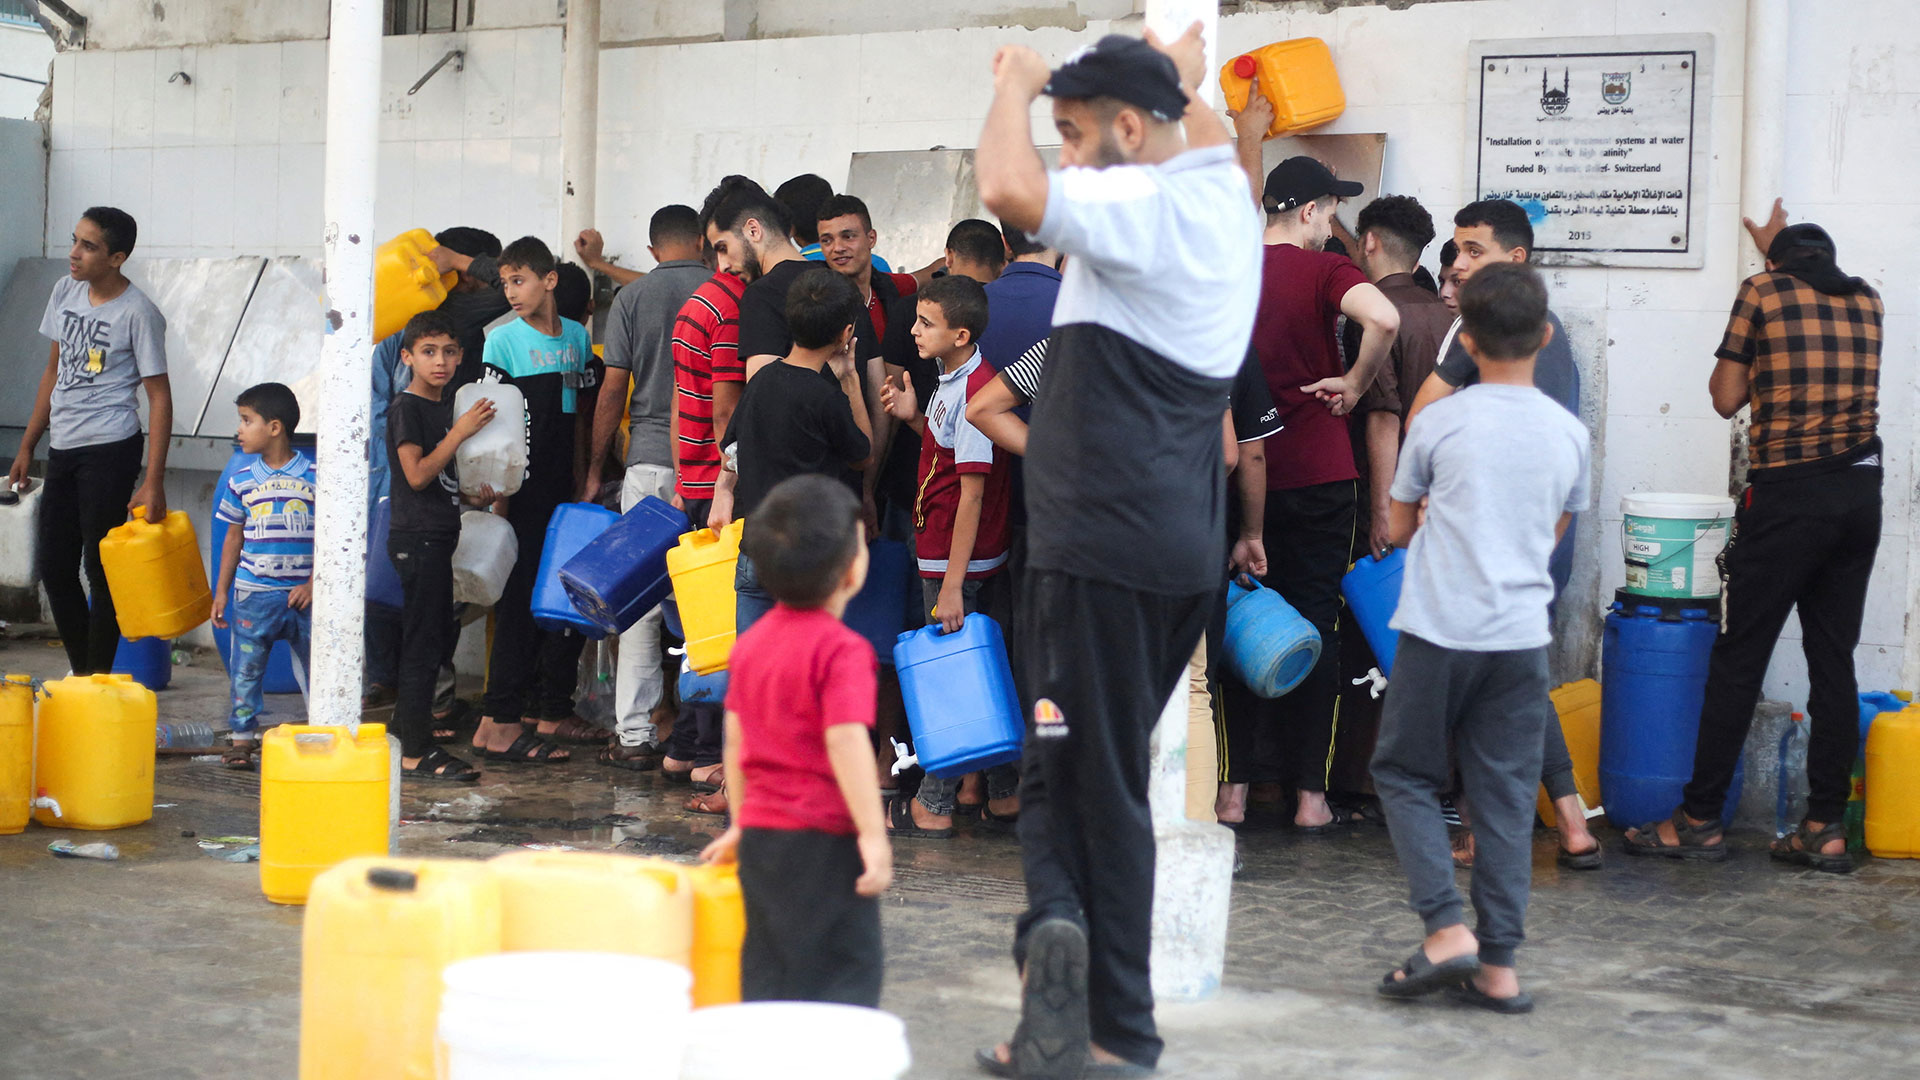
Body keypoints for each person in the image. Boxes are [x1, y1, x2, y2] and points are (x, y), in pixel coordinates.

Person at [974, 25, 1260, 1077]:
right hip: (1172, 548)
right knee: (1071, 766)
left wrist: (1017, 87)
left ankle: (1109, 1015)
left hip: (1095, 548)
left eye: (1075, 135)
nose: (1066, 155)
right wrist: (1177, 70)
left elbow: (1007, 188)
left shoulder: (1143, 210)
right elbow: (1205, 128)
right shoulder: (1222, 195)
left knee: (1084, 784)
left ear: (1130, 132)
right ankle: (1058, 970)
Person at [1624, 206, 1885, 874]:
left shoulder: (1762, 291)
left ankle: (1699, 820)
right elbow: (1812, 283)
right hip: (1860, 497)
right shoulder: (1868, 301)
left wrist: (1766, 272)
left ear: (1774, 264)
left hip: (1789, 497)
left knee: (1739, 658)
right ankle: (1825, 827)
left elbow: (1724, 398)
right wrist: (1780, 249)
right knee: (1834, 661)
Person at [1371, 262, 1590, 1015]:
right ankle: (1499, 968)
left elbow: (1400, 527)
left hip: (1440, 627)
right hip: (1520, 638)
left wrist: (1438, 521)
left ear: (1465, 340)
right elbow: (1556, 529)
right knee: (1504, 798)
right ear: (1546, 336)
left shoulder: (1438, 423)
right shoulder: (1568, 435)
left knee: (1404, 773)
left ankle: (1444, 928)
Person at [1406, 199, 1598, 868]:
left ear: (1516, 259)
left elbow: (1422, 417)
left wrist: (1419, 503)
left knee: (1492, 688)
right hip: (1538, 539)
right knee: (1518, 680)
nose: (1458, 265)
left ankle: (1501, 829)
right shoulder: (1547, 332)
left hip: (1489, 539)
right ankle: (1570, 821)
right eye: (1456, 250)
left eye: (1474, 251)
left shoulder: (1479, 331)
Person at [1215, 150, 1400, 831]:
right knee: (1318, 626)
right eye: (1331, 212)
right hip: (1320, 476)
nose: (1332, 226)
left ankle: (1232, 793)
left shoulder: (1227, 269)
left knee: (1237, 622)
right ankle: (1311, 799)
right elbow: (1385, 319)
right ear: (1309, 211)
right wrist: (1354, 383)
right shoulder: (1325, 270)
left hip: (1237, 472)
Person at [699, 473, 890, 1005]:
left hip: (763, 840)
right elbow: (847, 742)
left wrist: (741, 824)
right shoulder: (843, 651)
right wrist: (873, 835)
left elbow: (735, 741)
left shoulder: (750, 646)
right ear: (852, 569)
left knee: (769, 969)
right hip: (826, 842)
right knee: (844, 979)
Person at [878, 274, 1019, 839]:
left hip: (955, 559)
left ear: (960, 334)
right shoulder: (952, 378)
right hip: (944, 549)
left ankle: (934, 803)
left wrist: (955, 584)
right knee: (979, 672)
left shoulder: (974, 390)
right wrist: (915, 417)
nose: (913, 330)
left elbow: (972, 494)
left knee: (954, 679)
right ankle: (1003, 794)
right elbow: (947, 452)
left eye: (925, 323)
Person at [1325, 195, 1456, 801]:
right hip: (1445, 502)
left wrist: (1381, 512)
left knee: (1373, 639)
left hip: (1392, 502)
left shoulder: (1375, 314)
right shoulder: (1449, 316)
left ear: (1370, 242)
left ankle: (1364, 783)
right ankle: (1436, 779)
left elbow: (1382, 418)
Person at [9, 207, 171, 676]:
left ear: (117, 258)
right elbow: (53, 371)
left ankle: (95, 677)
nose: (74, 253)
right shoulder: (65, 291)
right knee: (54, 567)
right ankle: (86, 674)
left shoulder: (138, 313)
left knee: (101, 569)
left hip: (111, 447)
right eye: (74, 240)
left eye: (88, 246)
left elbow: (159, 397)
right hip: (64, 445)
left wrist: (153, 481)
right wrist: (28, 446)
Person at [584, 205, 712, 771]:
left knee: (640, 604)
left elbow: (613, 389)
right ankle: (697, 739)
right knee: (703, 603)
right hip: (709, 470)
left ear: (654, 249)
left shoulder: (633, 299)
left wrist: (596, 468)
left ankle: (634, 735)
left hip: (649, 465)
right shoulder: (723, 292)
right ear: (703, 242)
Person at [467, 237, 592, 764]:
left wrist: (585, 475)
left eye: (519, 281)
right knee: (517, 603)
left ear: (550, 280)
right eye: (505, 284)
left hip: (565, 487)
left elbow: (580, 414)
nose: (511, 293)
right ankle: (499, 718)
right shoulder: (500, 341)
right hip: (520, 492)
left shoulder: (578, 338)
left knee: (559, 601)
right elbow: (493, 425)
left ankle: (543, 710)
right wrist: (497, 497)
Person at [712, 268, 875, 632]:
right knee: (804, 659)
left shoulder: (761, 380)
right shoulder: (825, 397)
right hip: (807, 562)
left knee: (755, 661)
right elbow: (864, 455)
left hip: (756, 552)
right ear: (846, 333)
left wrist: (727, 488)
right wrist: (849, 378)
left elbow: (729, 454)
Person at [386, 311, 496, 783]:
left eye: (450, 352)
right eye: (428, 352)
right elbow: (415, 475)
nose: (441, 362)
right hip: (418, 539)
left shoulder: (444, 407)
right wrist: (460, 432)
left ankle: (403, 734)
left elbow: (439, 478)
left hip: (438, 533)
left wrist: (472, 497)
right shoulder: (407, 407)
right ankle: (414, 751)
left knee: (433, 640)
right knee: (423, 645)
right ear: (407, 357)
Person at [209, 383, 314, 770]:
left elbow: (334, 536)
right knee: (246, 671)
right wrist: (221, 592)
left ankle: (325, 732)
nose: (239, 430)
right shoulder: (241, 479)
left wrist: (314, 584)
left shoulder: (316, 476)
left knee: (318, 670)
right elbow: (232, 538)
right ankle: (241, 740)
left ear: (274, 427)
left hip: (305, 597)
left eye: (246, 420)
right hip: (254, 595)